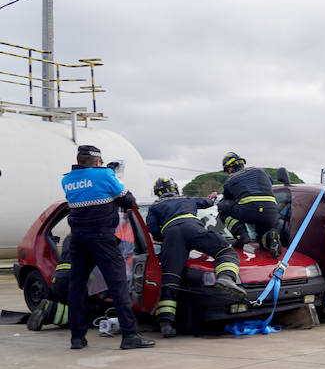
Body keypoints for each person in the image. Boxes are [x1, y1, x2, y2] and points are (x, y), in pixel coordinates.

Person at [59, 144, 155, 350]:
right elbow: (129, 200)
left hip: (77, 238)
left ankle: (77, 338)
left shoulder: (66, 180)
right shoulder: (104, 175)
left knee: (76, 287)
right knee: (118, 284)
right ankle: (130, 336)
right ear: (96, 161)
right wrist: (115, 181)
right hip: (101, 237)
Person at [146, 178, 246, 338]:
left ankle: (166, 323)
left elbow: (152, 228)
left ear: (158, 192)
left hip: (171, 235)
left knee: (170, 278)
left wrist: (163, 238)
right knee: (226, 251)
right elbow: (206, 203)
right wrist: (211, 197)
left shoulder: (155, 206)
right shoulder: (187, 199)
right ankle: (226, 278)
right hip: (193, 227)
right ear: (175, 189)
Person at [217, 152, 283, 256]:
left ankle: (241, 235)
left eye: (227, 170)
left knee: (221, 207)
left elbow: (227, 200)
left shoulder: (229, 180)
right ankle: (271, 237)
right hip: (271, 213)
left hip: (249, 211)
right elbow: (270, 183)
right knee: (262, 239)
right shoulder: (261, 170)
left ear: (230, 168)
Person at [27, 235, 74, 330]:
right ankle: (49, 310)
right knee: (90, 312)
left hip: (58, 278)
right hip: (70, 278)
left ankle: (50, 311)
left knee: (71, 307)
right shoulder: (92, 236)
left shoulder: (69, 237)